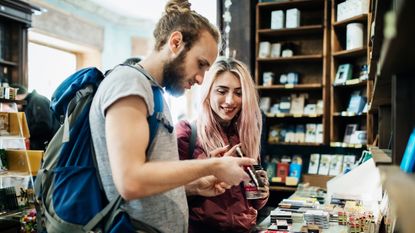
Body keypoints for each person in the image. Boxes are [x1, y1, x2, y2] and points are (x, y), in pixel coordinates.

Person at [89, 1, 255, 232]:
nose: (200, 79)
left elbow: (149, 184)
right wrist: (212, 165)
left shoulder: (151, 90)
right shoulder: (129, 82)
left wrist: (194, 186)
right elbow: (131, 181)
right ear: (175, 42)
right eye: (200, 64)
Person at [176, 58, 270, 233]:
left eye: (239, 93)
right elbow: (167, 191)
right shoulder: (187, 133)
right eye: (222, 91)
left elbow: (254, 202)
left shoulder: (246, 135)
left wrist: (261, 192)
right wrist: (205, 174)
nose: (230, 101)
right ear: (208, 92)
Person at [10, 84, 60, 150]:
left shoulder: (37, 100)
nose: (13, 105)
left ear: (16, 97)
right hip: (41, 145)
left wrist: (23, 133)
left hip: (48, 145)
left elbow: (44, 124)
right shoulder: (29, 103)